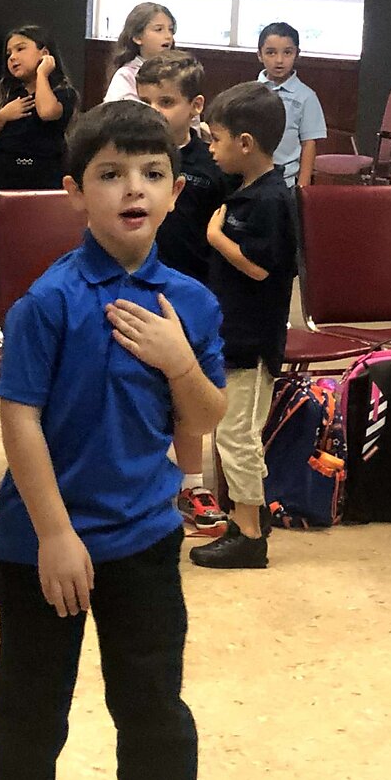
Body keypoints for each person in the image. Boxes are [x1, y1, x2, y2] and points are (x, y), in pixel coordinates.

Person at [0, 100, 226, 780]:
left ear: (176, 192)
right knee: (30, 716)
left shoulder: (190, 304)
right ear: (74, 192)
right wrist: (57, 536)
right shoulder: (49, 301)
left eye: (153, 173)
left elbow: (203, 420)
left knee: (152, 709)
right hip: (45, 541)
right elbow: (20, 418)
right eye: (111, 173)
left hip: (142, 537)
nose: (134, 188)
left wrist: (178, 359)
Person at [192, 82, 296, 569]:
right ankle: (248, 516)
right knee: (232, 433)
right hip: (232, 335)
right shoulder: (247, 193)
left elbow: (261, 268)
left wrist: (216, 237)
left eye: (216, 139)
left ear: (245, 143)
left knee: (238, 436)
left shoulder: (270, 201)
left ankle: (250, 534)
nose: (210, 148)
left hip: (254, 343)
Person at [135, 50, 230, 537]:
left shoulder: (212, 162)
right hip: (134, 287)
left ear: (195, 106)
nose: (154, 111)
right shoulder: (129, 153)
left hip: (191, 289)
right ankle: (141, 479)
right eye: (145, 100)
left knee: (186, 387)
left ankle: (192, 483)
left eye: (165, 102)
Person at [0, 24, 79, 190]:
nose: (12, 57)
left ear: (44, 53)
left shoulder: (62, 92)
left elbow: (46, 112)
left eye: (20, 49)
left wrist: (42, 74)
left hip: (45, 175)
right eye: (9, 54)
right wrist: (2, 116)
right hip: (3, 175)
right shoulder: (4, 93)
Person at [256, 22, 326, 188]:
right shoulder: (251, 92)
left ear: (297, 54)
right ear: (259, 55)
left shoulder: (306, 96)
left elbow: (309, 143)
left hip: (286, 181)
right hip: (251, 178)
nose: (279, 60)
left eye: (287, 52)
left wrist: (302, 185)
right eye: (271, 53)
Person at [103, 2, 175, 103]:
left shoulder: (178, 72)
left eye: (171, 30)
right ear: (137, 37)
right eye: (159, 29)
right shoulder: (126, 75)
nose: (168, 35)